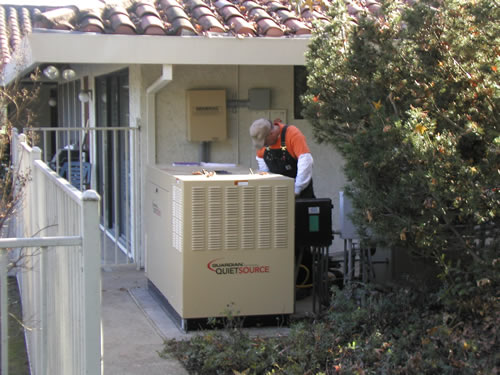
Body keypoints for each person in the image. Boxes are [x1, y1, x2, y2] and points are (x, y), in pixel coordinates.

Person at [249, 118, 315, 198]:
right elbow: (264, 169)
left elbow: (306, 161)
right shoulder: (263, 144)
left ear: (271, 133)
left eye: (264, 142)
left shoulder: (292, 133)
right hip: (277, 193)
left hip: (300, 192)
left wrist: (297, 189)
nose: (263, 145)